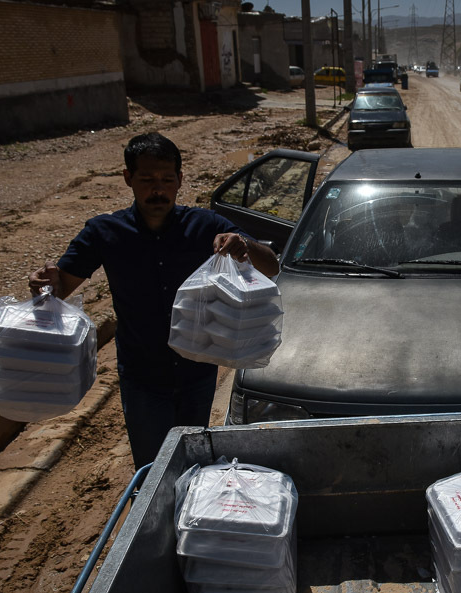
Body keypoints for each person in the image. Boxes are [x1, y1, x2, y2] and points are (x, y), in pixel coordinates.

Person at [29, 132, 279, 468]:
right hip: (143, 378)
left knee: (195, 464)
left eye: (166, 179)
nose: (157, 190)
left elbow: (272, 265)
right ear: (128, 178)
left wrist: (243, 247)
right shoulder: (104, 232)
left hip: (197, 373)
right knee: (153, 469)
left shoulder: (206, 226)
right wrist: (44, 285)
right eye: (146, 180)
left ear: (180, 180)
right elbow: (58, 290)